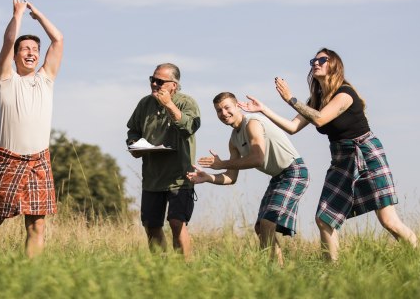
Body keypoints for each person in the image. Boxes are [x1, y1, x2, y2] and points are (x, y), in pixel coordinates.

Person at [239, 47, 417, 261]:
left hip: (365, 152)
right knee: (324, 219)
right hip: (341, 158)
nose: (316, 62)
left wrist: (291, 99)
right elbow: (293, 127)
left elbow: (321, 119)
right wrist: (263, 109)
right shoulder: (317, 99)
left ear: (334, 65)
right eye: (313, 60)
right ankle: (332, 275)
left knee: (389, 221)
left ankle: (419, 260)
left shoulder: (345, 93)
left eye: (322, 59)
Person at [0, 0, 63, 258]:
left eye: (34, 48)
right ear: (15, 56)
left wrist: (38, 14)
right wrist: (18, 15)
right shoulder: (6, 79)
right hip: (9, 159)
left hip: (39, 161)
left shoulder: (46, 79)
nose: (31, 52)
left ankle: (30, 277)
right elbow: (7, 40)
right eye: (24, 49)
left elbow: (58, 40)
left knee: (37, 224)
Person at [188, 92, 308, 265]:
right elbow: (231, 177)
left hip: (294, 171)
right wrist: (208, 177)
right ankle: (279, 270)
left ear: (237, 106)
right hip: (278, 177)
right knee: (261, 227)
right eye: (219, 110)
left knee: (267, 223)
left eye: (227, 107)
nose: (224, 113)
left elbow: (257, 158)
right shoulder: (234, 140)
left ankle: (272, 271)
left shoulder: (252, 123)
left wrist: (222, 163)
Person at [126, 63, 200, 259]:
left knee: (177, 223)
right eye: (152, 79)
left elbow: (189, 127)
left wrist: (168, 104)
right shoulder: (144, 104)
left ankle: (185, 270)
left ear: (173, 85)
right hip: (152, 177)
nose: (155, 84)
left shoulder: (187, 103)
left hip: (180, 176)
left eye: (160, 81)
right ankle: (162, 270)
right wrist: (133, 144)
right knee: (151, 225)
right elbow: (133, 129)